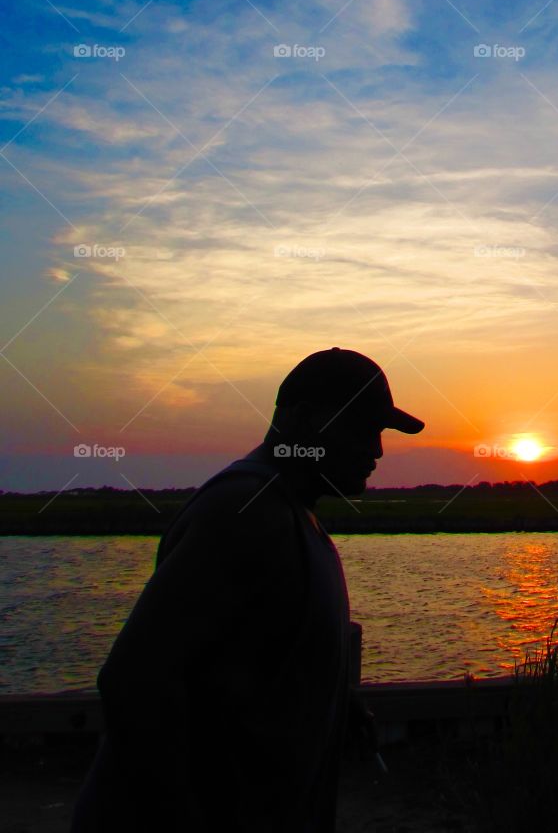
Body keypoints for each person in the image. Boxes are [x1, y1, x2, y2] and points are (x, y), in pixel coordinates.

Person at [71, 347, 425, 833]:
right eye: (362, 428)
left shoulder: (292, 512)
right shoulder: (245, 511)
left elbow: (248, 660)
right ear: (301, 420)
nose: (377, 449)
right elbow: (135, 681)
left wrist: (335, 706)